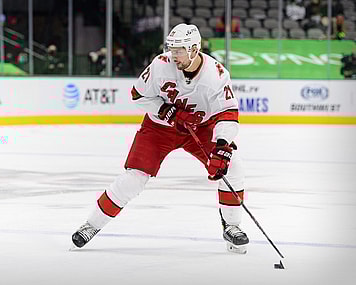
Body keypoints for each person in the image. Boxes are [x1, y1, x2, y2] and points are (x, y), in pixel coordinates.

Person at [70, 23, 249, 254]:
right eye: (172, 49)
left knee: (233, 166)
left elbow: (228, 113)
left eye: (179, 50)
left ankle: (232, 227)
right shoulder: (160, 65)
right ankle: (91, 225)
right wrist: (165, 109)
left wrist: (223, 146)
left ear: (194, 49)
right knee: (133, 178)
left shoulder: (216, 74)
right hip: (159, 128)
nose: (174, 55)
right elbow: (137, 95)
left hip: (200, 129)